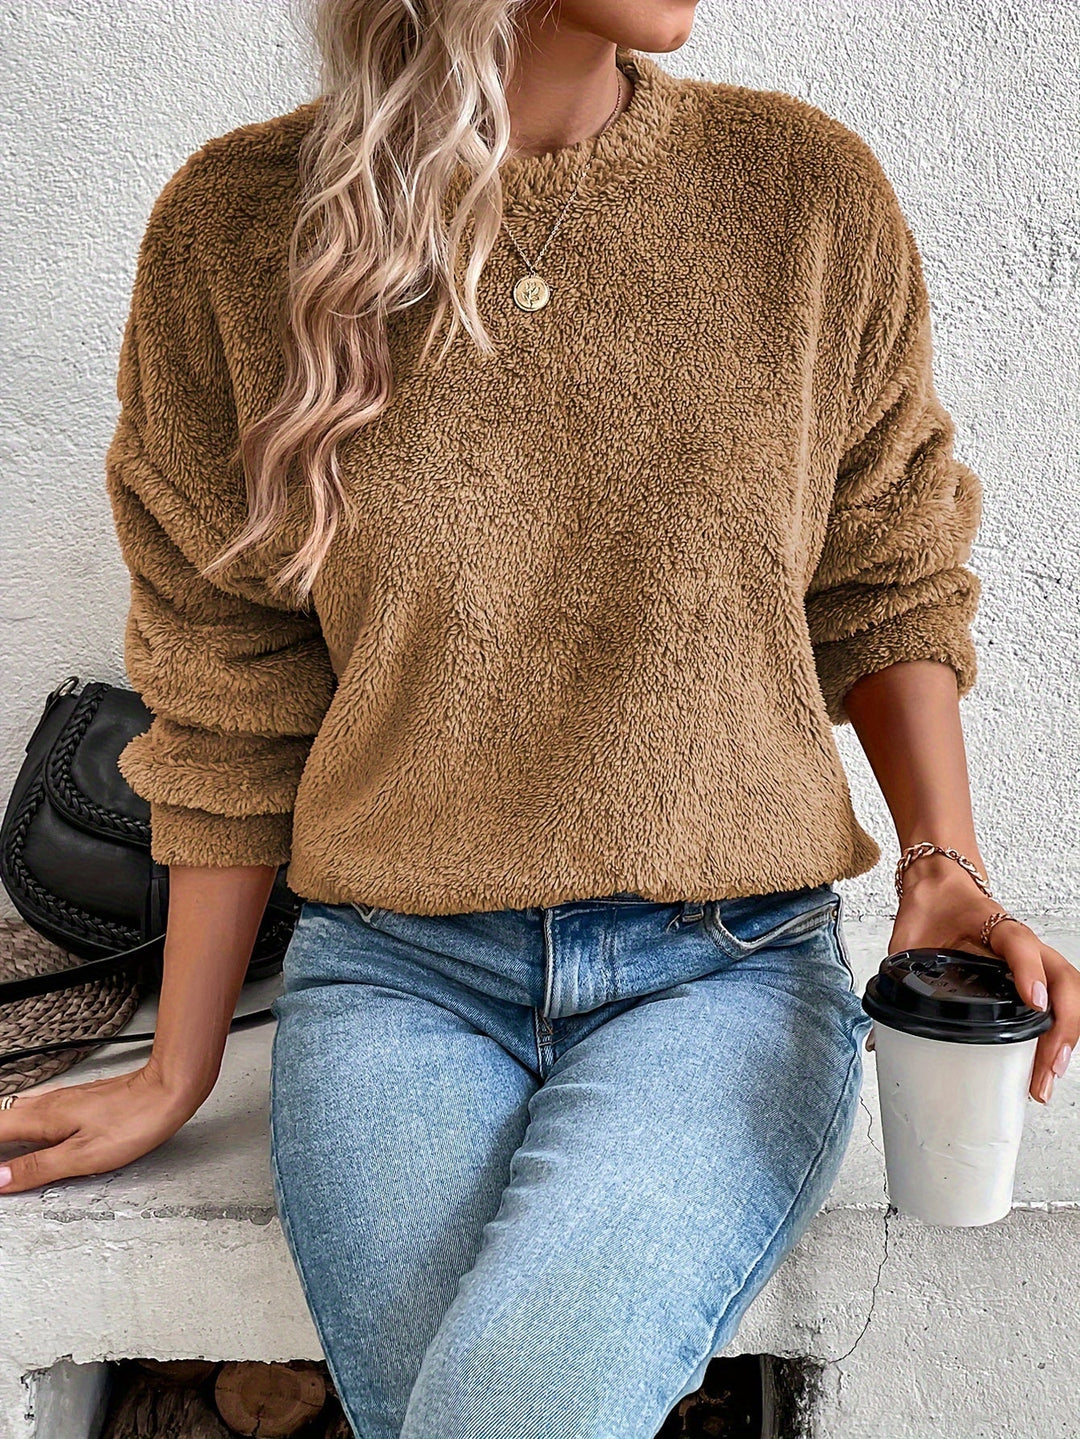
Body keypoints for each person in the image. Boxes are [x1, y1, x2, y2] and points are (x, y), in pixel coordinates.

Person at [1, 3, 1077, 1437]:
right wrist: (177, 1068)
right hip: (393, 975)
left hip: (723, 976)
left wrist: (945, 864)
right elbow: (227, 683)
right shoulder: (235, 227)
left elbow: (887, 576)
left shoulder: (803, 195)